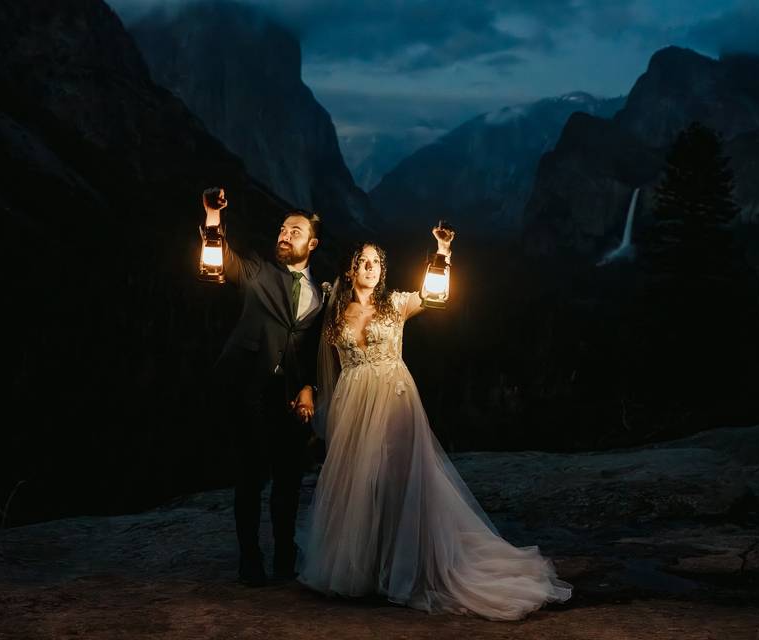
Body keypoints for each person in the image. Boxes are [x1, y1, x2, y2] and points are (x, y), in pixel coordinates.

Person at [297, 229, 572, 619]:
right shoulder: (335, 312)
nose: (372, 269)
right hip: (352, 403)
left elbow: (433, 297)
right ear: (351, 267)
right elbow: (312, 353)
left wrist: (442, 253)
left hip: (393, 401)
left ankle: (403, 569)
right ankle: (366, 569)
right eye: (365, 262)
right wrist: (307, 390)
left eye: (378, 262)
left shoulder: (395, 304)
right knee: (359, 483)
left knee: (393, 481)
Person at [200, 187, 326, 586]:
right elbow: (225, 260)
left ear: (313, 243)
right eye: (282, 229)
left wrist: (310, 388)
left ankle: (285, 557)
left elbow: (313, 353)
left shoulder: (321, 296)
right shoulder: (257, 272)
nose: (284, 235)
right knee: (251, 480)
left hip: (289, 400)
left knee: (288, 482)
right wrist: (213, 217)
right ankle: (250, 559)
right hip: (249, 392)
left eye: (295, 230)